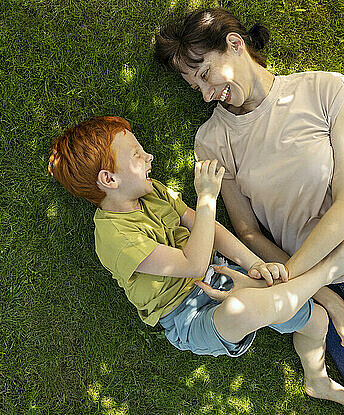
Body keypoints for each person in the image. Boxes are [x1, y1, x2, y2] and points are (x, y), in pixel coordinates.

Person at [48, 115, 344, 404]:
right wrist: (206, 199)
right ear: (109, 179)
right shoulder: (115, 237)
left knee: (316, 320)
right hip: (185, 314)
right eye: (137, 154)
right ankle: (325, 273)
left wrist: (254, 264)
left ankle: (316, 381)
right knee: (243, 309)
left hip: (222, 273)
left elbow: (208, 229)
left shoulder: (152, 193)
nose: (149, 156)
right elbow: (193, 264)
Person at [154, 7, 344, 375]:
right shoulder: (212, 140)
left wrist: (292, 284)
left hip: (300, 279)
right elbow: (248, 232)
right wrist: (323, 296)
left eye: (206, 74)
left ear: (235, 44)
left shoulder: (326, 89)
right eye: (197, 88)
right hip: (319, 287)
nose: (208, 95)